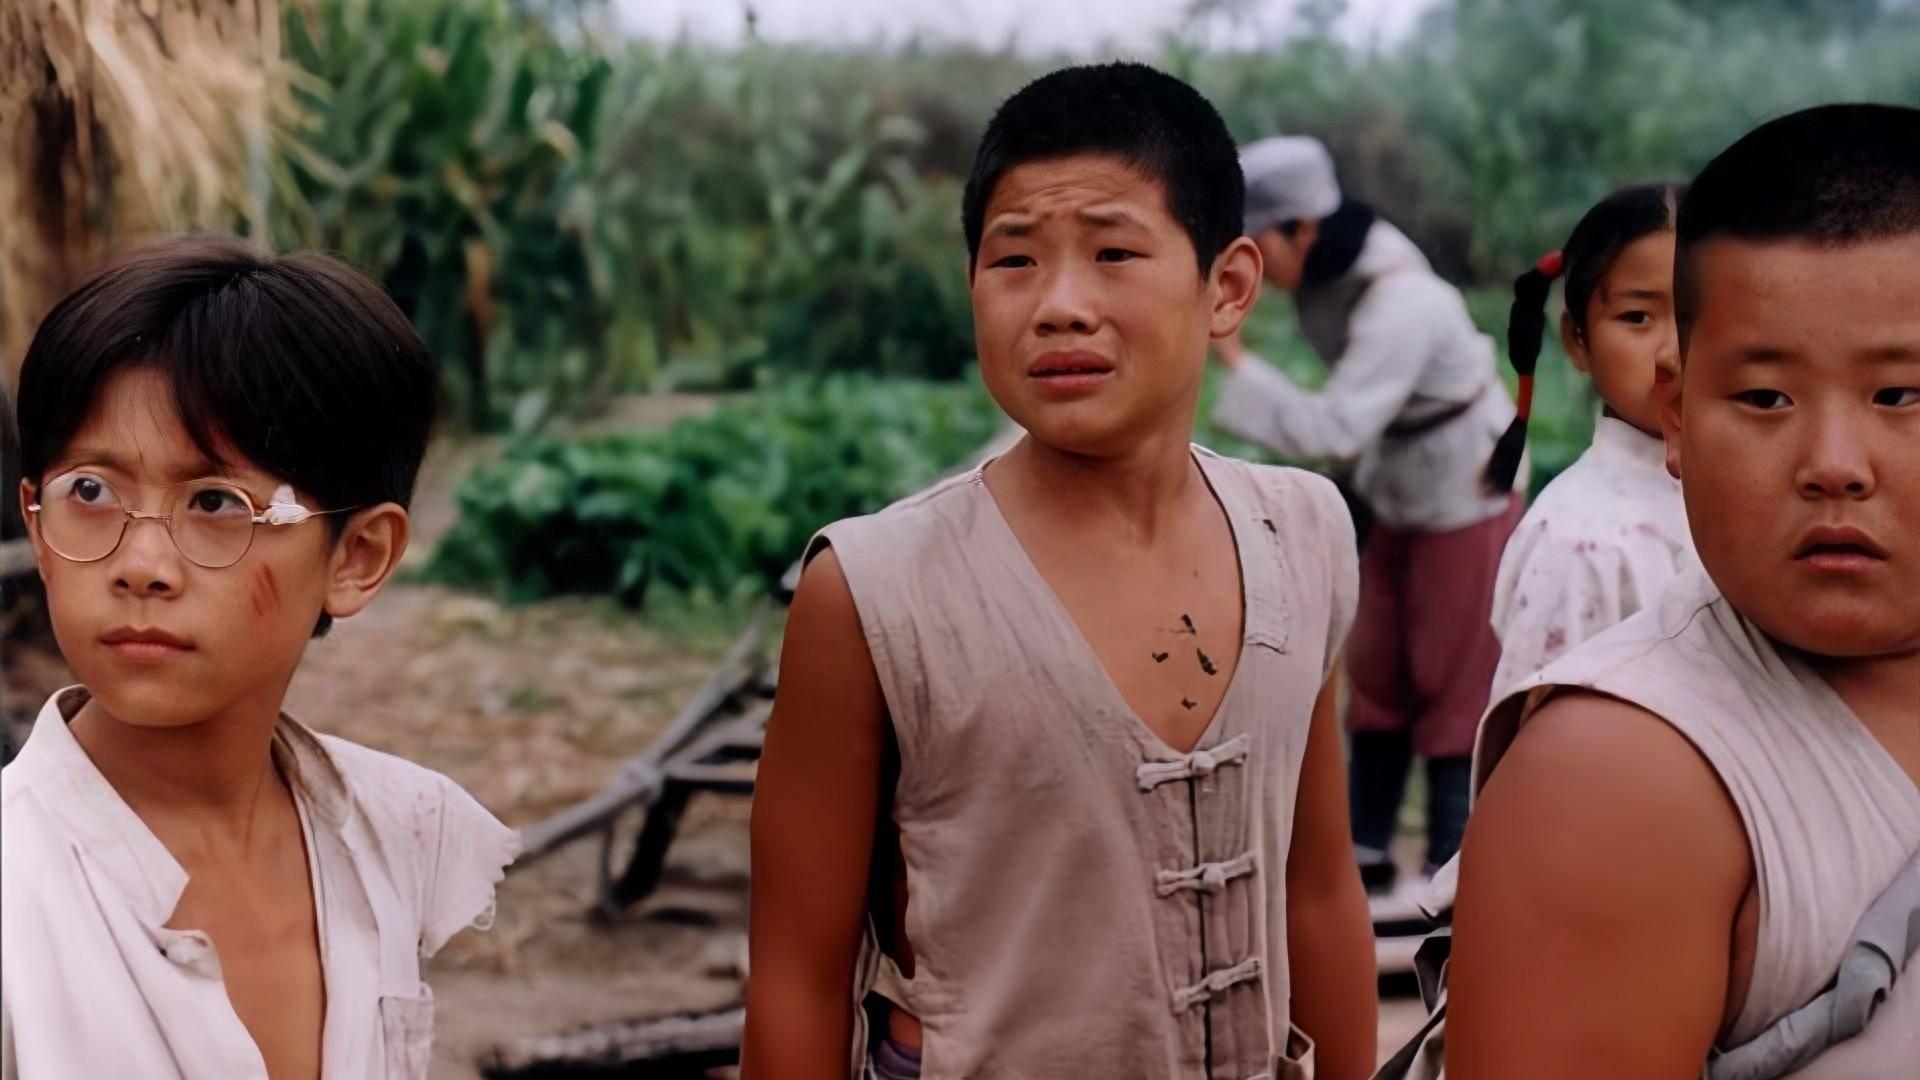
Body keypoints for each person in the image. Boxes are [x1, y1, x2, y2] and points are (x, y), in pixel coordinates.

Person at [742, 63, 1375, 1080]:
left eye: (1114, 252)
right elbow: (795, 979)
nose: (1059, 306)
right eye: (1015, 261)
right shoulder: (874, 591)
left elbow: (1318, 891)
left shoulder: (1300, 534)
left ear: (1227, 287)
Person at [1449, 103, 1920, 1078]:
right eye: (1765, 397)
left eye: (1902, 395)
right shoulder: (1613, 781)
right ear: (1677, 419)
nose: (1836, 465)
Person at [1, 237, 521, 1080]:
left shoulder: (397, 834)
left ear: (356, 557)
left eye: (216, 502)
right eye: (91, 491)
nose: (141, 564)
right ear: (36, 523)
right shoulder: (16, 891)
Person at [1212, 135, 1524, 891]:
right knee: (1378, 665)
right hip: (1393, 475)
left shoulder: (1403, 301)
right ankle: (1368, 854)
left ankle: (1453, 867)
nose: (1252, 265)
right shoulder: (1332, 270)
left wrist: (1234, 360)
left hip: (1461, 484)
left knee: (1453, 671)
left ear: (1302, 229)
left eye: (1259, 243)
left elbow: (1338, 429)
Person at [1484, 183, 1695, 699]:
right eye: (1637, 317)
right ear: (1578, 340)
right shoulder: (1580, 544)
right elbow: (1542, 739)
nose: (1672, 353)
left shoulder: (1768, 490)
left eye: (1698, 314)